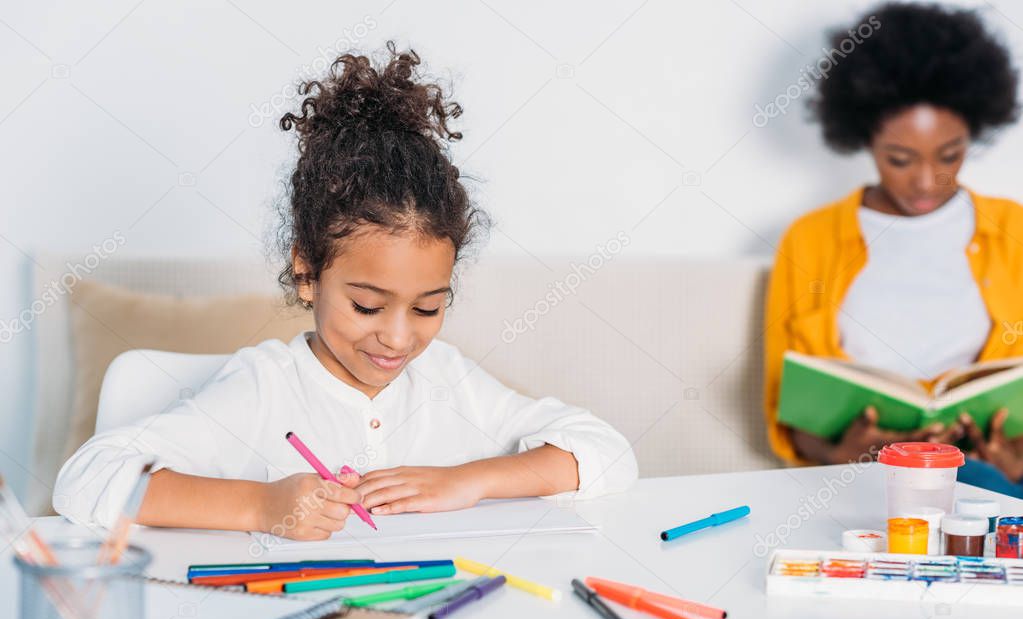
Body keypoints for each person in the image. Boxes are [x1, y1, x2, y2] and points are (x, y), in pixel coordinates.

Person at [54, 44, 637, 536]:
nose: (399, 337)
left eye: (430, 306)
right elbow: (85, 482)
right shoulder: (264, 388)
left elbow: (608, 452)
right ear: (307, 273)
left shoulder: (450, 383)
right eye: (366, 305)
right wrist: (260, 506)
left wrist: (468, 480)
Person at [763, 4, 1023, 495]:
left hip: (988, 476)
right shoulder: (810, 238)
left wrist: (1013, 456)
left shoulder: (1014, 228)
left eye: (950, 154)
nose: (927, 180)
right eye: (900, 159)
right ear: (865, 138)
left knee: (979, 482)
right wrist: (840, 453)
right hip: (864, 476)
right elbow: (792, 405)